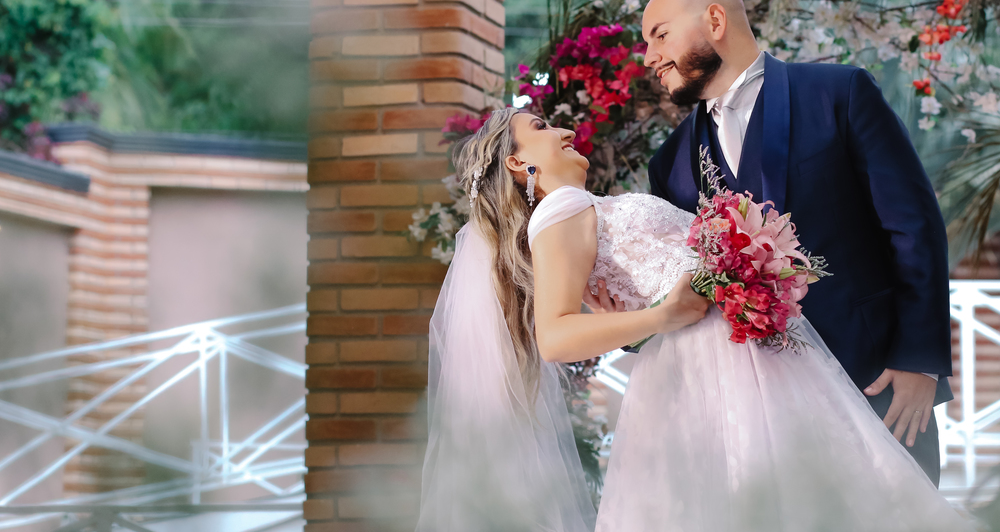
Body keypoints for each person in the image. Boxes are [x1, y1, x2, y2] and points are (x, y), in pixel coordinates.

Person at [416, 106, 971, 532]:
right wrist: (662, 315)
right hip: (715, 363)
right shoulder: (562, 207)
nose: (563, 129)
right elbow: (556, 336)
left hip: (726, 352)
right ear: (518, 163)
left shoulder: (581, 208)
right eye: (540, 127)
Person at [642, 0, 953, 484]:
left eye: (660, 35)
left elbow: (913, 227)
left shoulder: (839, 94)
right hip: (750, 417)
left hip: (875, 382)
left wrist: (919, 362)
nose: (649, 56)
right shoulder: (671, 163)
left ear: (715, 21)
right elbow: (679, 292)